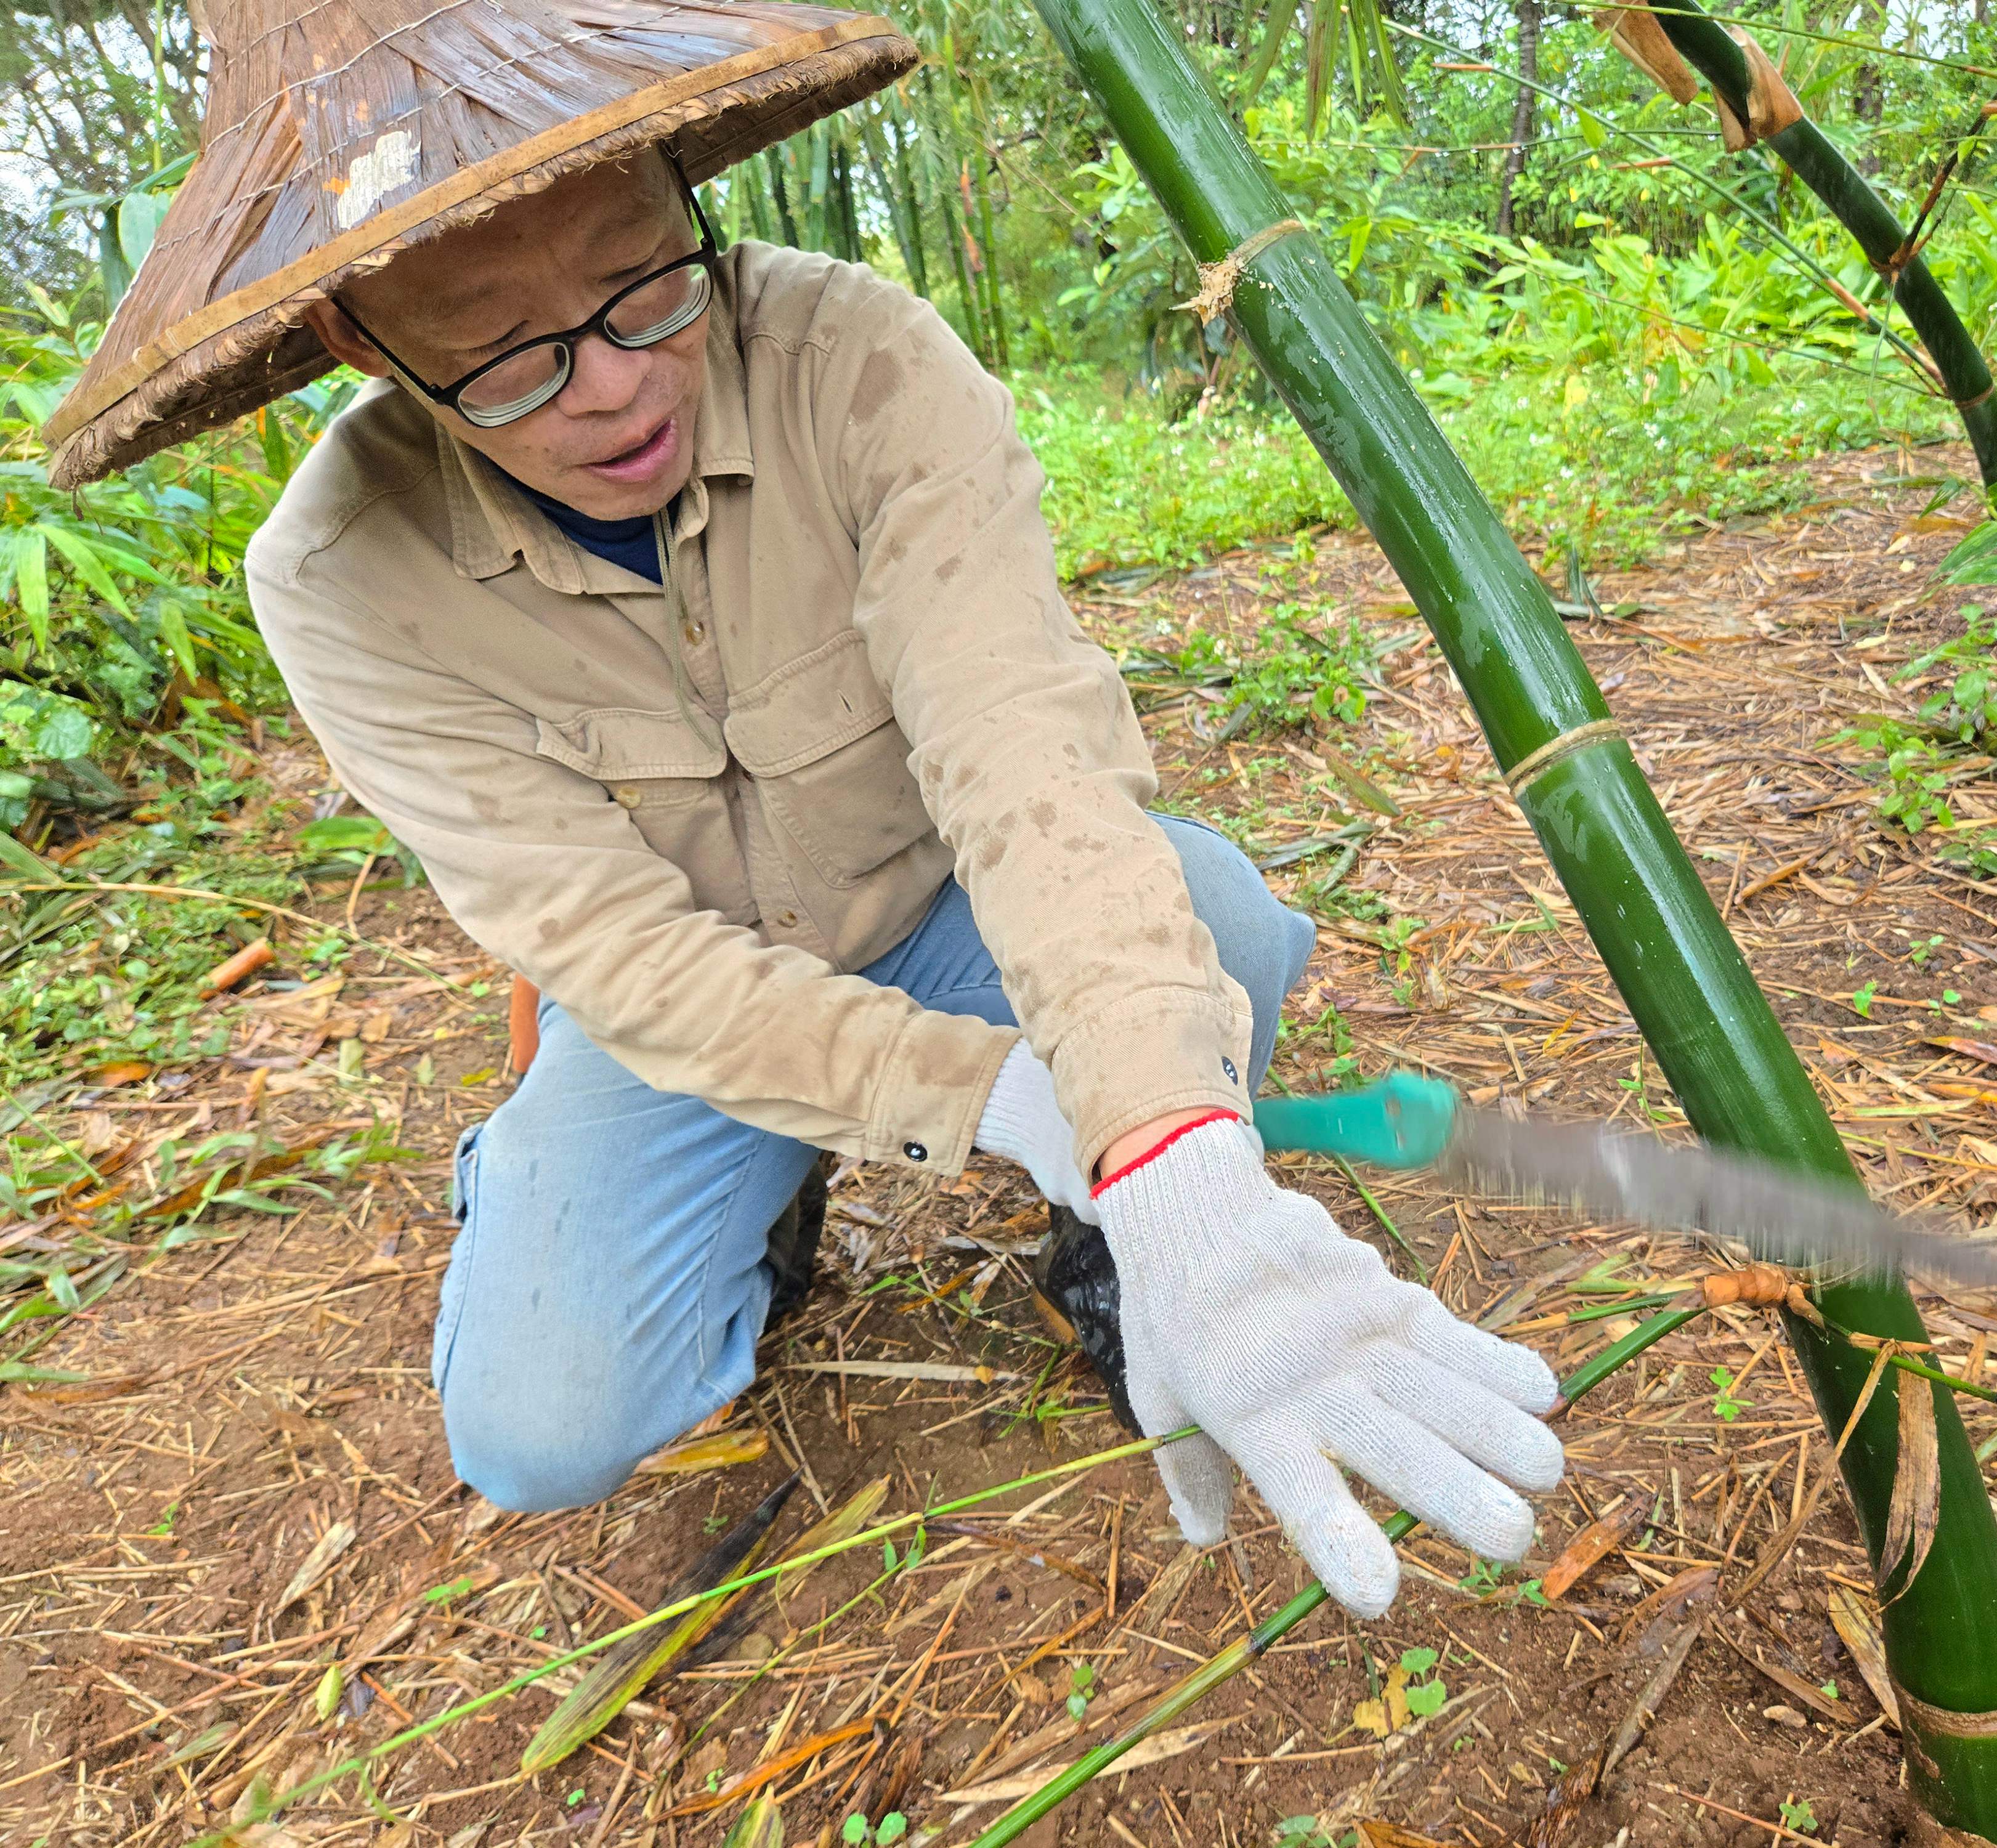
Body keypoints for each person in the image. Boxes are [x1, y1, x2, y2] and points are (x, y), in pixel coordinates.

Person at [43, 0, 1560, 1619]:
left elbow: (1025, 754)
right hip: (677, 1017)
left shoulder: (858, 363)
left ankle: (1113, 1240)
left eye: (646, 284)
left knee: (1217, 930)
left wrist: (1158, 1151)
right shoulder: (344, 578)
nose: (616, 388)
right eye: (505, 358)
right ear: (365, 340)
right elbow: (622, 958)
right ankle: (755, 1195)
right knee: (543, 1425)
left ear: (682, 181)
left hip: (929, 910)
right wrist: (1000, 1098)